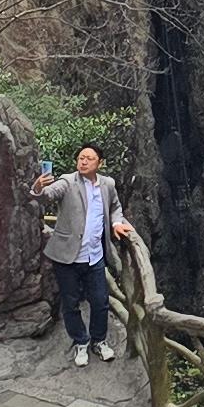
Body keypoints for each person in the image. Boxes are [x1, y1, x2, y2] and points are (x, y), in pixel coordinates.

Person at [34, 144, 132, 369]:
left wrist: (117, 223)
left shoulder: (108, 184)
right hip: (67, 257)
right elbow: (48, 195)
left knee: (100, 301)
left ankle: (99, 340)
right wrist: (39, 188)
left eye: (89, 158)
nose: (83, 161)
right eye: (80, 158)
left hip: (94, 256)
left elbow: (115, 207)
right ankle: (80, 341)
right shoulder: (68, 182)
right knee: (70, 303)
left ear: (100, 163)